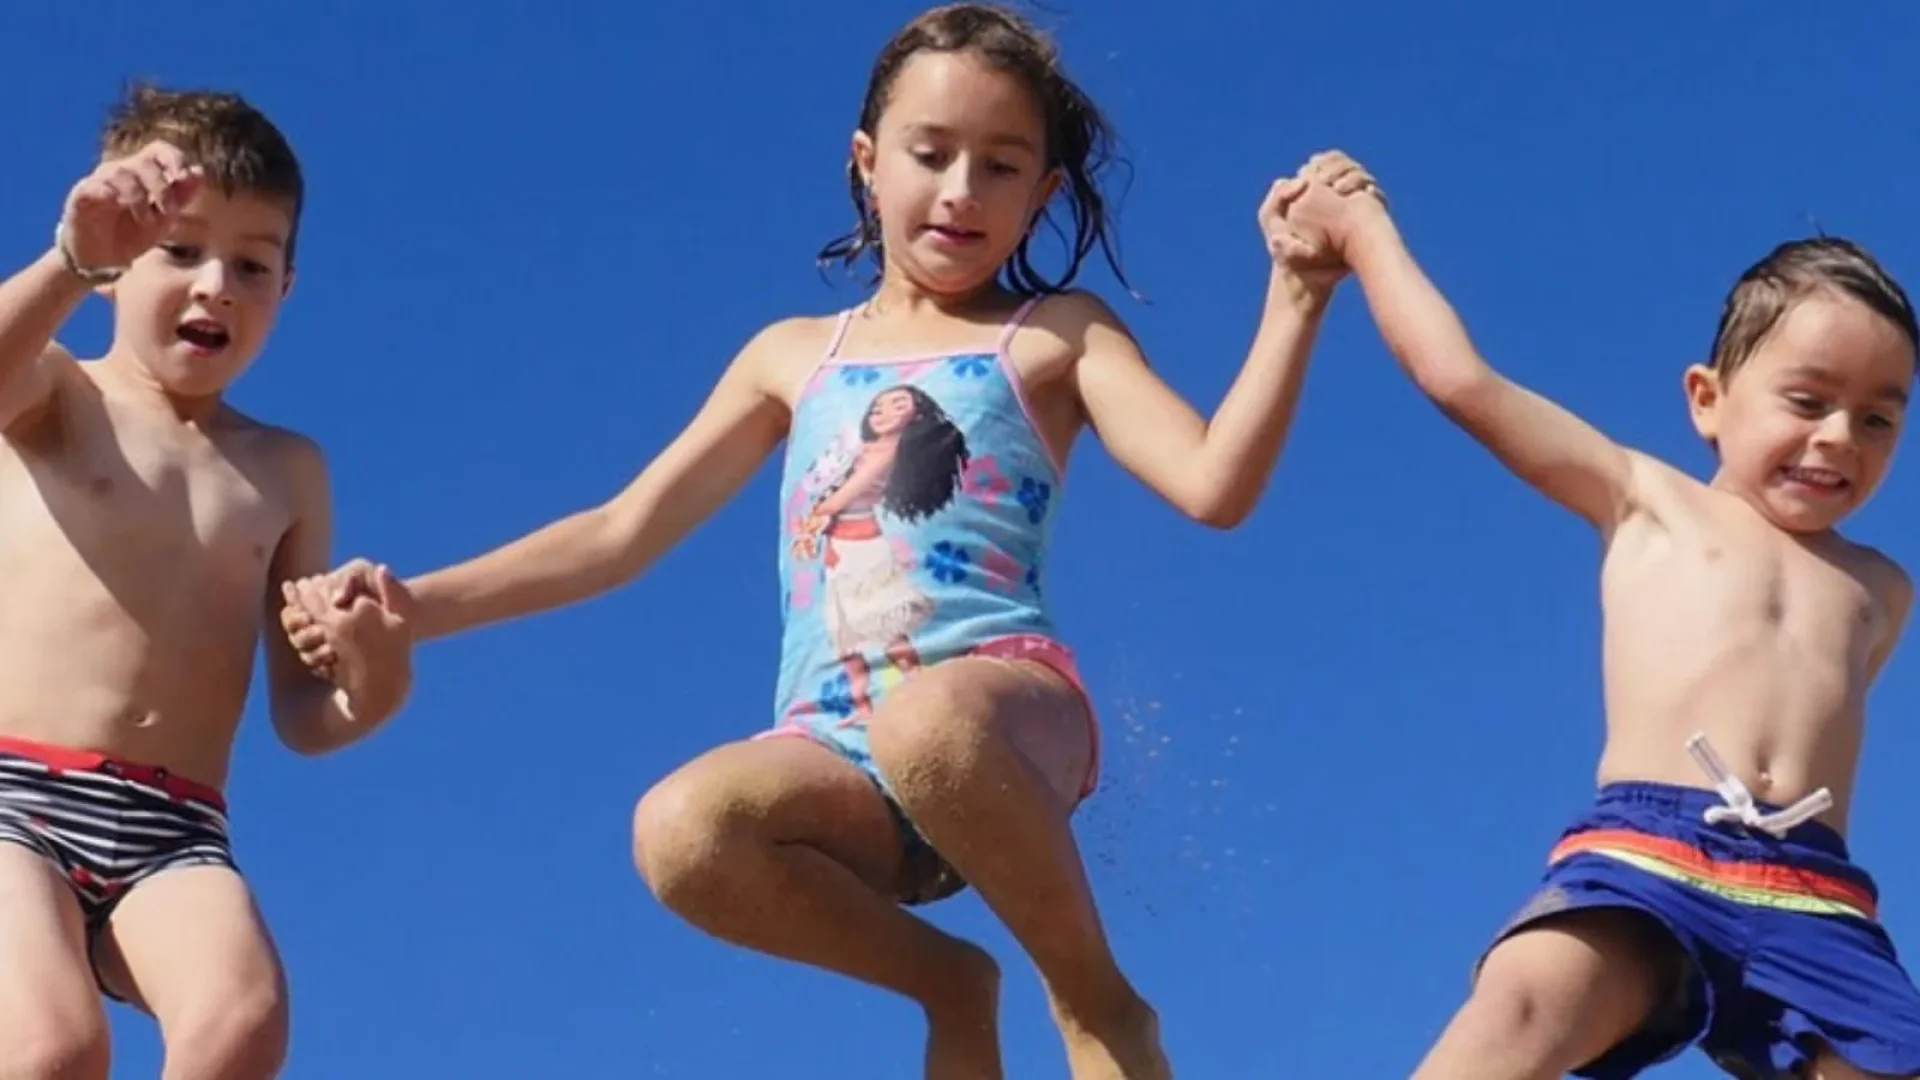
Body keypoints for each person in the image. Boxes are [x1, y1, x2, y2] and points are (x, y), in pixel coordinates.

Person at [280, 4, 1374, 1076]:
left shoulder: (1054, 336)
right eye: (931, 153)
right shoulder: (793, 356)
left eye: (1000, 166)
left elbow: (1212, 484)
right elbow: (620, 531)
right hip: (842, 756)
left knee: (928, 722)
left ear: (1043, 192)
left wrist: (1296, 296)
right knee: (681, 830)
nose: (960, 191)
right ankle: (952, 985)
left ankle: (1098, 1003)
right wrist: (414, 605)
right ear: (867, 161)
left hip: (1004, 714)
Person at [1283, 151, 1920, 1078]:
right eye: (1808, 400)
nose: (1838, 439)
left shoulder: (1881, 587)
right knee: (1525, 1004)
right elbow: (1460, 379)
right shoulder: (1644, 498)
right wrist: (1363, 233)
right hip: (1650, 849)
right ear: (1708, 400)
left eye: (1878, 420)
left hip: (1815, 894)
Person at [0, 85, 412, 1079]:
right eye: (177, 250)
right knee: (52, 1045)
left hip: (177, 827)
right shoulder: (58, 391)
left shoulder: (285, 470)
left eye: (251, 263)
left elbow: (308, 712)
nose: (216, 284)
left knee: (242, 1024)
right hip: (12, 797)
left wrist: (375, 674)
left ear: (287, 286)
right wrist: (69, 258)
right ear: (114, 266)